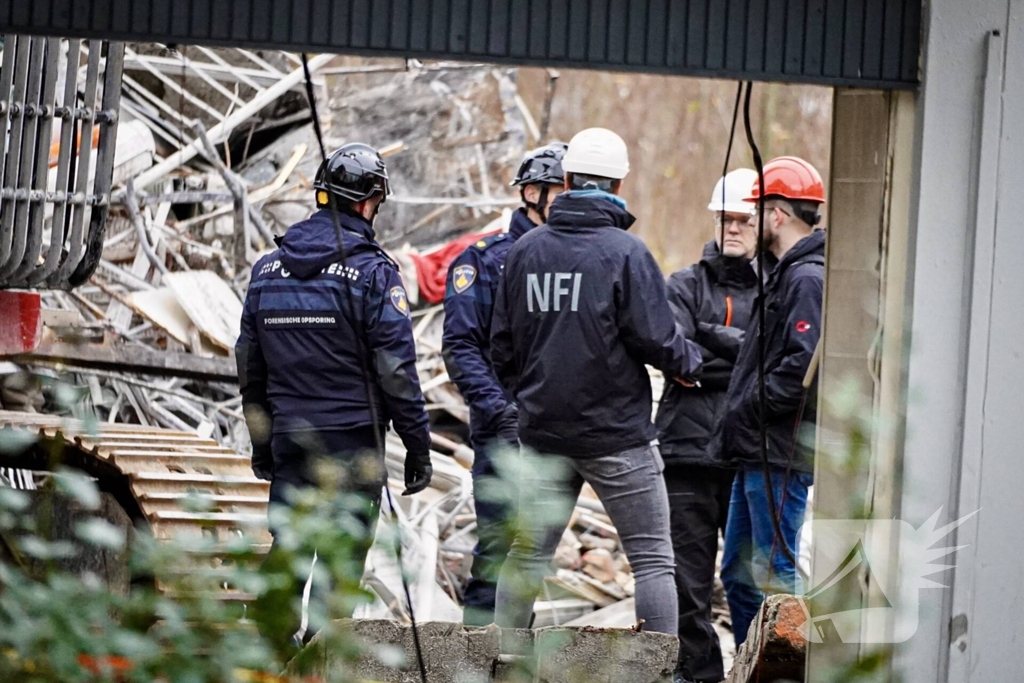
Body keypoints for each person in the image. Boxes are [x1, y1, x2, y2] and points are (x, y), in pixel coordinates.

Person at [490, 127, 702, 637]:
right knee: (652, 559)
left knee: (526, 554)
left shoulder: (525, 251)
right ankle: (656, 668)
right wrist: (690, 363)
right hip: (617, 435)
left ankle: (504, 659)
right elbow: (657, 339)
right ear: (619, 186)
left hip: (543, 436)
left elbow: (501, 345)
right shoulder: (626, 252)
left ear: (566, 181)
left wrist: (532, 398)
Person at [236, 143, 433, 645]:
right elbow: (395, 370)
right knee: (340, 567)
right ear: (368, 202)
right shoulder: (375, 274)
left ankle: (264, 661)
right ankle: (319, 664)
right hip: (353, 444)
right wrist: (417, 445)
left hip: (289, 438)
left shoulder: (266, 271)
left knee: (288, 551)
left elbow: (250, 367)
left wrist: (263, 443)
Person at [442, 142, 567, 626]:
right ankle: (475, 656)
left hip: (557, 433)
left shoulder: (575, 259)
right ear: (532, 193)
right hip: (503, 434)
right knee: (498, 550)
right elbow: (461, 347)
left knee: (531, 561)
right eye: (562, 191)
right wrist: (501, 413)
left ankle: (514, 654)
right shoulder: (484, 262)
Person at [655, 168, 760, 682]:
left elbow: (778, 361)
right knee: (686, 586)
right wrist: (745, 357)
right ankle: (701, 677)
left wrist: (707, 337)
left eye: (743, 219)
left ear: (763, 223)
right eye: (725, 218)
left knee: (749, 579)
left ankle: (756, 669)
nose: (732, 228)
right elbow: (675, 354)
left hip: (748, 458)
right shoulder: (682, 284)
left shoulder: (777, 290)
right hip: (686, 455)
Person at [717, 156, 826, 646]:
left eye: (757, 211)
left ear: (777, 215)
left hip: (778, 454)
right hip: (757, 451)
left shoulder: (805, 280)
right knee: (738, 574)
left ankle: (786, 671)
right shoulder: (785, 274)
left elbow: (801, 369)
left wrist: (748, 407)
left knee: (775, 573)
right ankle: (751, 665)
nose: (751, 221)